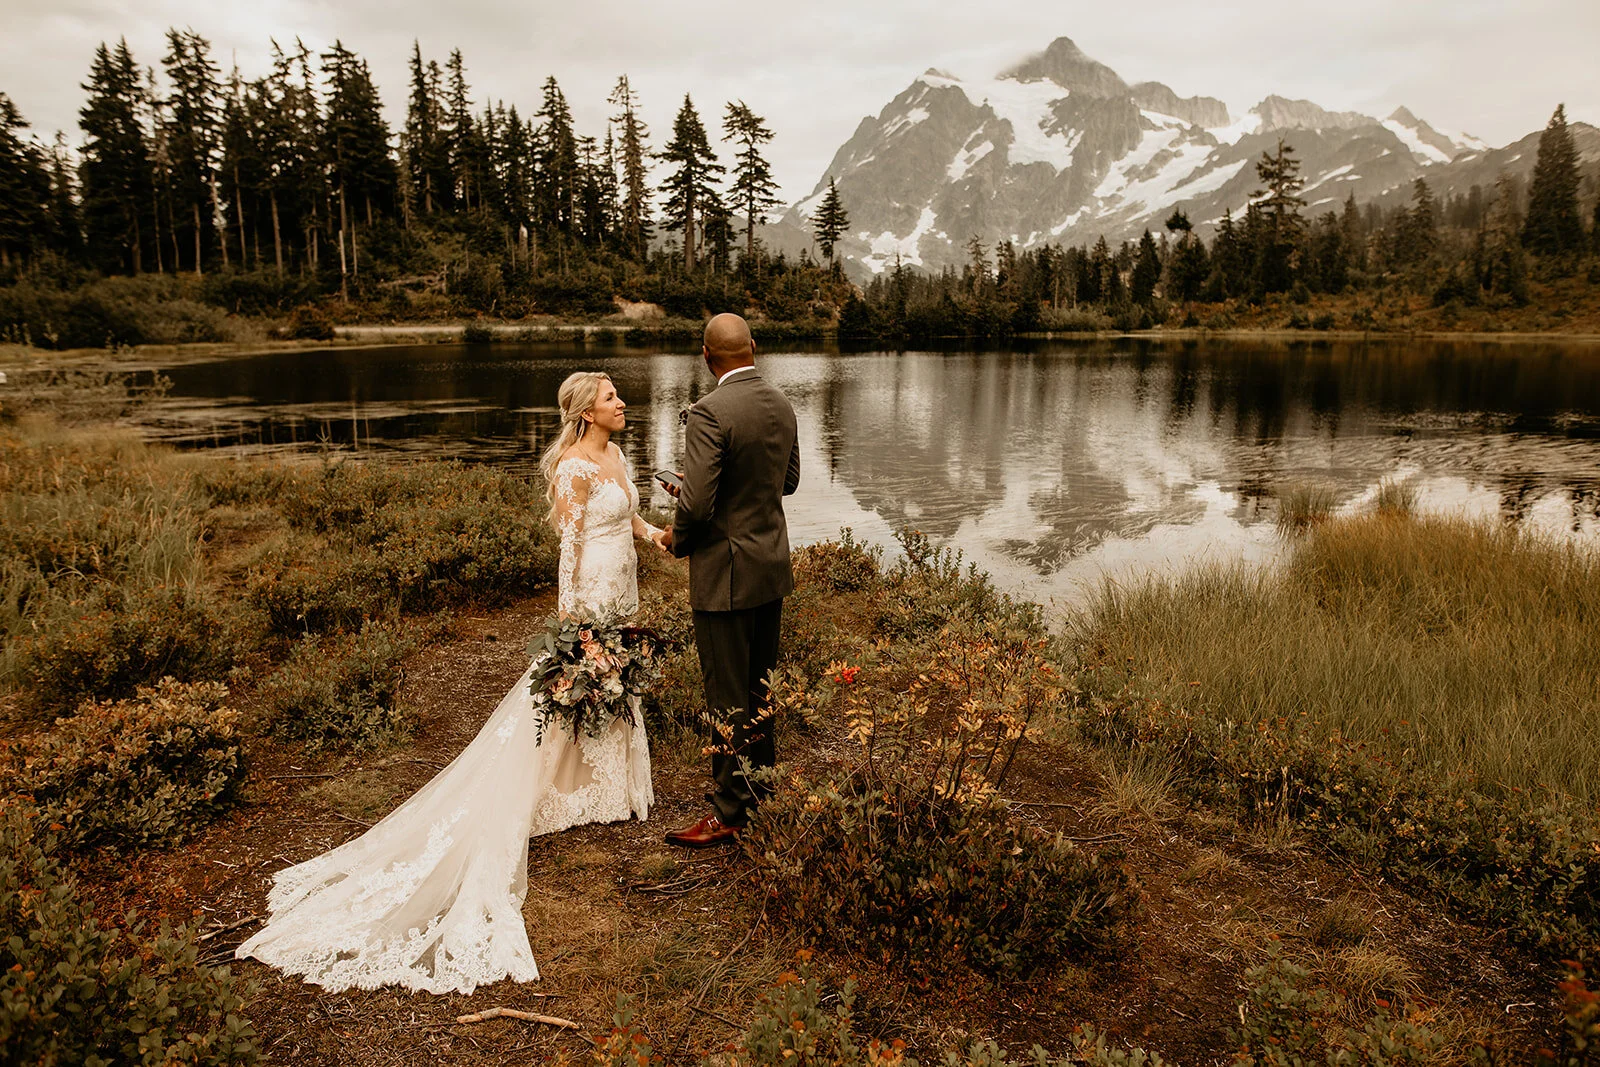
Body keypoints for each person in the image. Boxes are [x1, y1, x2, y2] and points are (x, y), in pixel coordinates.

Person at [236, 372, 661, 995]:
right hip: (591, 590)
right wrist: (570, 624)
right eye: (610, 398)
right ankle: (551, 791)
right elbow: (567, 552)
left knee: (613, 686)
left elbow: (629, 516)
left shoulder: (616, 454)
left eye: (619, 396)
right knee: (571, 687)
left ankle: (602, 789)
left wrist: (658, 536)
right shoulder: (572, 468)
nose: (622, 403)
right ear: (584, 413)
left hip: (623, 583)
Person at [658, 313, 801, 848]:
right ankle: (761, 793)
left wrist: (680, 538)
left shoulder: (709, 412)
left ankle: (730, 812)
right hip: (770, 567)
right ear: (753, 348)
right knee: (761, 687)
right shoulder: (782, 404)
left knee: (725, 693)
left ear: (705, 355)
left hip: (724, 574)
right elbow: (787, 480)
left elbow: (695, 505)